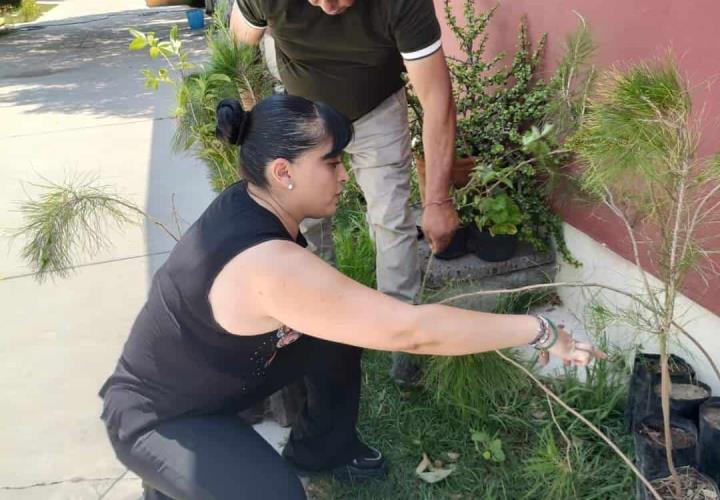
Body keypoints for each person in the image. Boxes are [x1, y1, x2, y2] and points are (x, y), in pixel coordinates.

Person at [99, 95, 604, 500]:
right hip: (162, 417)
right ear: (282, 172)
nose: (344, 176)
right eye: (333, 162)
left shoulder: (254, 202)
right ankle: (170, 481)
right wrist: (537, 331)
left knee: (338, 336)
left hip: (222, 377)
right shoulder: (266, 262)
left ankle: (322, 449)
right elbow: (411, 330)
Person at [229, 0, 459, 382]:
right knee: (306, 226)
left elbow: (437, 100)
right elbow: (236, 52)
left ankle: (403, 339)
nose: (330, 6)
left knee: (391, 219)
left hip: (376, 107)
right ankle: (321, 327)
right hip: (299, 109)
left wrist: (437, 199)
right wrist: (254, 117)